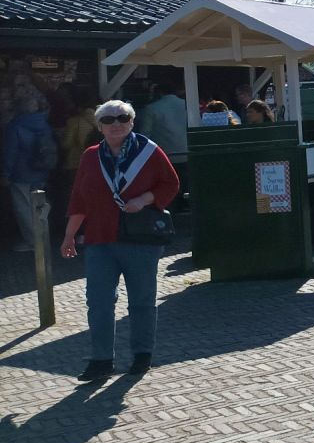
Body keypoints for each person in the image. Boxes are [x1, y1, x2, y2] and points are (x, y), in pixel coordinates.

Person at [59, 99, 181, 380]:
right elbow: (79, 198)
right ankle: (101, 360)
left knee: (141, 300)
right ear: (100, 126)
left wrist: (145, 199)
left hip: (140, 238)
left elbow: (171, 183)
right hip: (99, 239)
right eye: (109, 120)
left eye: (122, 118)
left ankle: (141, 355)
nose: (116, 124)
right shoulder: (91, 156)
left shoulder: (149, 152)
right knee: (98, 301)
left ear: (132, 122)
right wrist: (69, 235)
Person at [4, 85, 57, 252]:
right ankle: (43, 237)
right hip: (41, 170)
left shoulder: (15, 126)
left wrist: (4, 173)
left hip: (20, 173)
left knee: (24, 208)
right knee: (40, 207)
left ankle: (33, 242)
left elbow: (10, 152)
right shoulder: (44, 123)